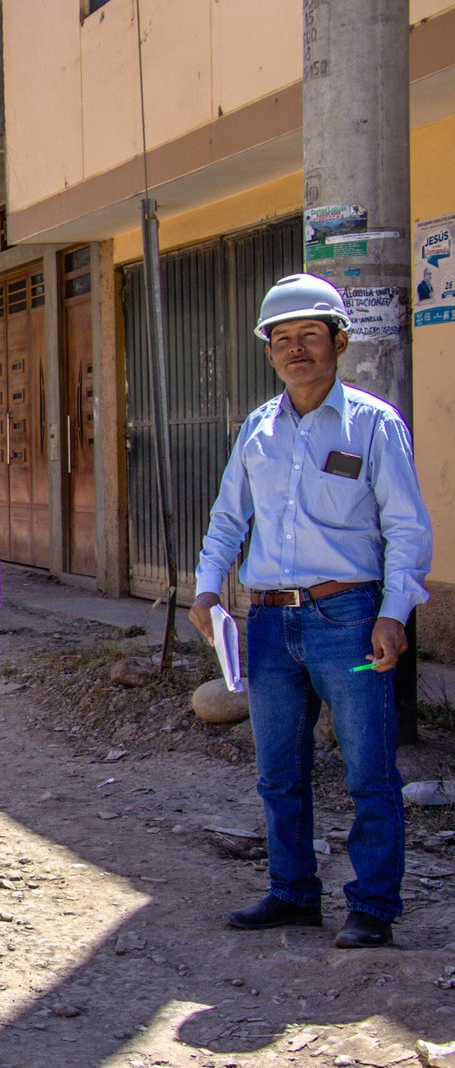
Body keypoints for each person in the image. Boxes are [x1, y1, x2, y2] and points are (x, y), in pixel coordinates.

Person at [189, 273, 432, 950]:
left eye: (310, 336)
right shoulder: (258, 429)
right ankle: (294, 893)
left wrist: (394, 612)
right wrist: (208, 590)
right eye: (283, 339)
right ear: (269, 352)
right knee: (280, 773)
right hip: (268, 625)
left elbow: (407, 529)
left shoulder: (374, 425)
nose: (296, 349)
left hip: (348, 617)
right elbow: (228, 519)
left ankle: (374, 906)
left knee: (369, 771)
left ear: (338, 343)